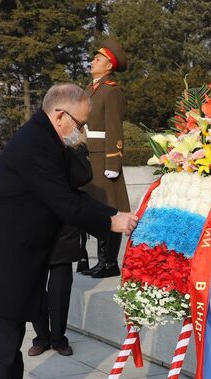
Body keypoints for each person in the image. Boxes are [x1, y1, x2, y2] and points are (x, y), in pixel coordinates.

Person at [0, 83, 138, 379]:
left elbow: (77, 183)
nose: (82, 130)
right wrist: (112, 220)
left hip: (17, 264)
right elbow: (65, 204)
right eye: (80, 123)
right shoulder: (35, 145)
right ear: (59, 115)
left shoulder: (49, 140)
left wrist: (114, 213)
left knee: (10, 355)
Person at [28, 140, 93, 358]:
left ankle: (58, 338)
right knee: (35, 285)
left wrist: (76, 147)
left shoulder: (72, 145)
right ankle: (41, 337)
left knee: (60, 286)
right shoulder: (32, 142)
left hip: (64, 222)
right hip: (35, 221)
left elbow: (83, 177)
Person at [79, 38, 131, 278]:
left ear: (109, 65)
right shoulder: (91, 89)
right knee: (96, 209)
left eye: (98, 59)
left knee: (110, 208)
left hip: (103, 159)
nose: (92, 62)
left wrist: (113, 161)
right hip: (90, 156)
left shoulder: (111, 91)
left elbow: (114, 128)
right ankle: (100, 260)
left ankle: (109, 262)